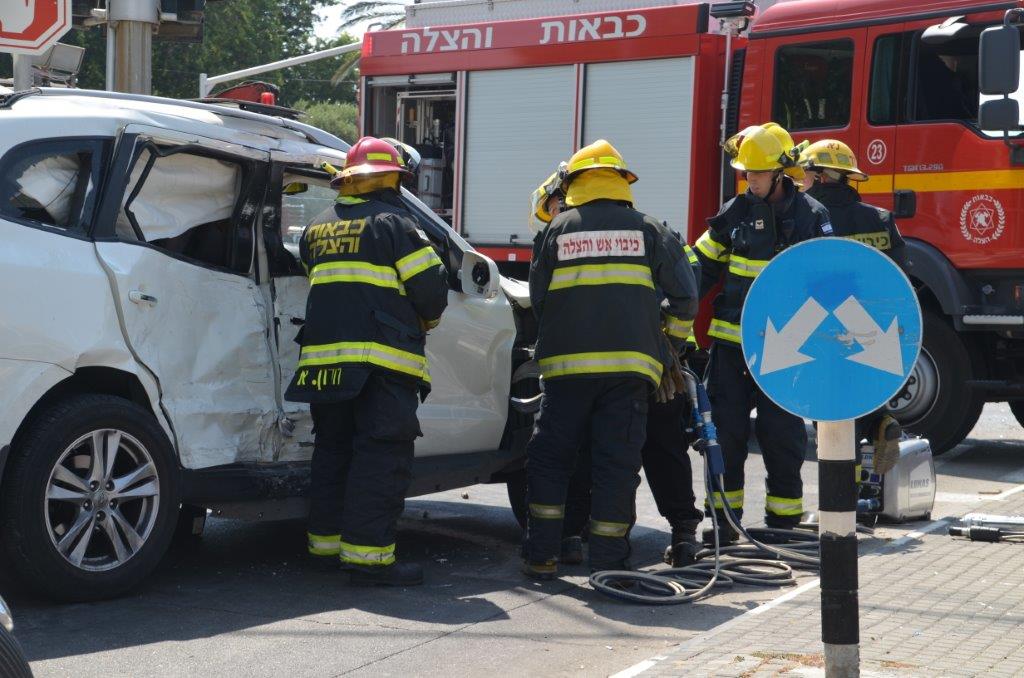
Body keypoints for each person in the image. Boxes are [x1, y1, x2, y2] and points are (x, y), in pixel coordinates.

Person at [523, 140, 699, 579]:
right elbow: (686, 299)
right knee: (616, 465)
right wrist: (668, 348)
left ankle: (543, 555)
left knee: (552, 459)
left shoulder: (555, 230)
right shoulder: (649, 229)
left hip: (565, 373)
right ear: (621, 180)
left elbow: (539, 301)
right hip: (629, 373)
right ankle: (609, 563)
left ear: (574, 182)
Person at [285, 136, 449, 586]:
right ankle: (368, 560)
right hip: (382, 364)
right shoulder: (395, 225)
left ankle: (325, 548)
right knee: (380, 458)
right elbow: (431, 292)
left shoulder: (316, 228)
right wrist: (425, 320)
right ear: (392, 179)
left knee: (333, 453)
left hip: (323, 364)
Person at [694, 124, 831, 543]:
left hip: (787, 349)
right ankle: (724, 522)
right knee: (725, 433)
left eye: (756, 172)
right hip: (732, 344)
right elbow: (700, 265)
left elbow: (826, 285)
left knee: (782, 434)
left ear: (781, 172)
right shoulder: (735, 212)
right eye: (745, 172)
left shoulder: (812, 216)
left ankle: (784, 521)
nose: (748, 179)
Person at [798, 138, 906, 474]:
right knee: (862, 395)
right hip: (872, 326)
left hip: (822, 326)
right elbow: (900, 273)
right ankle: (880, 422)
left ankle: (846, 497)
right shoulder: (881, 218)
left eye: (805, 174)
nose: (801, 182)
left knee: (831, 419)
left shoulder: (809, 217)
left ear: (821, 176)